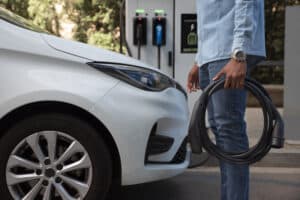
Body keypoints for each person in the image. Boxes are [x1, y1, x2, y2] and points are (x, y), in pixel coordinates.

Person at [187, 1, 266, 200]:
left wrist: (239, 52)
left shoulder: (234, 50)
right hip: (211, 53)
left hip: (228, 48)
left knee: (229, 131)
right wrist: (199, 59)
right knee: (221, 133)